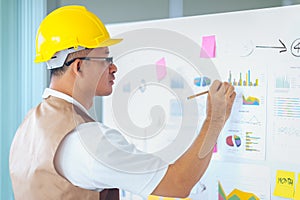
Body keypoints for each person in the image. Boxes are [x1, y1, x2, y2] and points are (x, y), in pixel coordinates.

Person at [9, 5, 236, 200]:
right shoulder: (89, 141)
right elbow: (179, 183)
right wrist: (215, 118)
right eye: (105, 59)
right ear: (78, 67)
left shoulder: (30, 124)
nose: (114, 67)